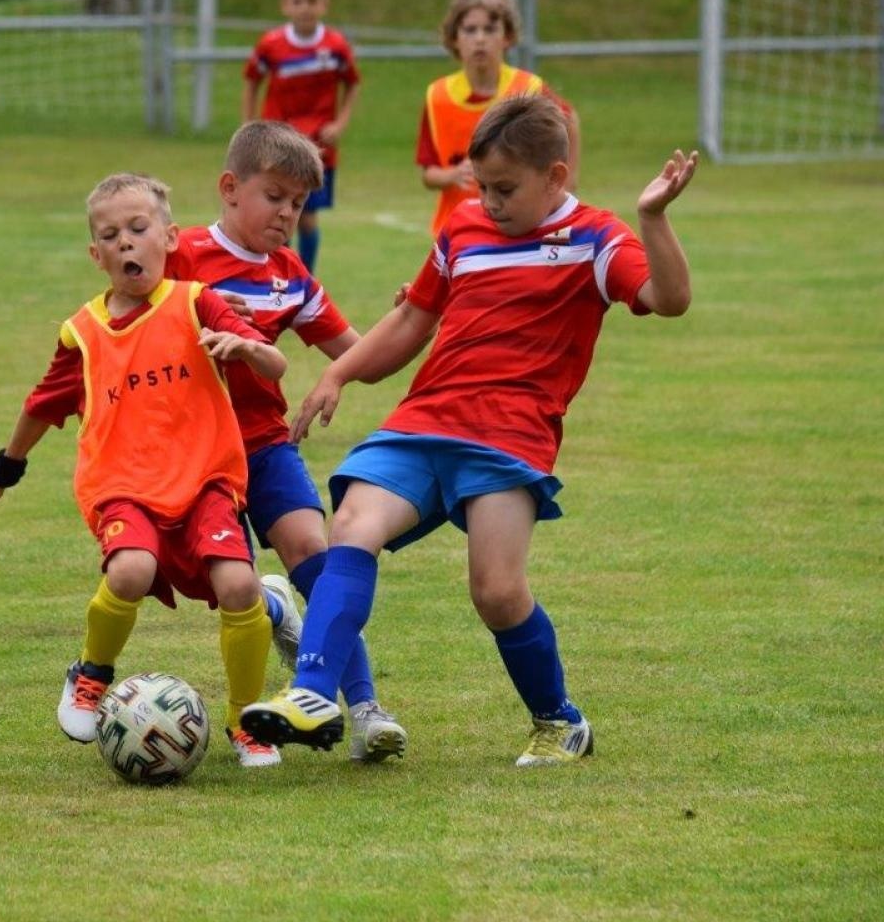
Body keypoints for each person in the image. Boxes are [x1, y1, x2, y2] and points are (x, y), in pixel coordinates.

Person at [243, 97, 699, 766]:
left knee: (496, 591)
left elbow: (670, 298)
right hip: (424, 422)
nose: (489, 201)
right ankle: (312, 691)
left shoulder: (596, 239)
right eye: (481, 186)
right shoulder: (463, 228)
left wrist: (652, 217)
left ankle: (558, 721)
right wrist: (339, 373)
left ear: (557, 175)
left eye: (505, 188)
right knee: (353, 524)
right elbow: (411, 322)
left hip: (509, 437)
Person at [0, 173, 291, 768]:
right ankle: (90, 674)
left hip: (207, 482)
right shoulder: (83, 334)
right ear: (96, 256)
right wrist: (0, 474)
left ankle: (247, 719)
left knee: (240, 586)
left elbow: (276, 363)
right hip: (123, 489)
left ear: (168, 238)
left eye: (139, 230)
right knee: (131, 570)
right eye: (111, 236)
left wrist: (246, 348)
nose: (126, 244)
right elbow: (41, 405)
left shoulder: (198, 303)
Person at [166, 120, 407, 763]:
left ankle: (363, 709)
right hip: (192, 454)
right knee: (231, 587)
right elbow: (126, 316)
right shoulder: (179, 254)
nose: (286, 214)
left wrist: (416, 315)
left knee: (319, 558)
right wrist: (200, 316)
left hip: (267, 445)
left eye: (298, 204)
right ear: (229, 188)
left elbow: (360, 355)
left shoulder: (289, 275)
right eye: (274, 196)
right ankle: (271, 612)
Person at [417, 0, 580, 237]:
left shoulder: (528, 88)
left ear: (507, 37)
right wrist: (451, 176)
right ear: (454, 39)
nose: (480, 39)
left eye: (490, 29)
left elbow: (569, 121)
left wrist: (566, 185)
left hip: (520, 223)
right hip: (460, 229)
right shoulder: (437, 96)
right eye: (470, 30)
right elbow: (428, 174)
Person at [242, 0, 362, 274]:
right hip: (278, 143)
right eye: (298, 1)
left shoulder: (335, 46)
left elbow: (352, 84)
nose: (305, 8)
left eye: (312, 1)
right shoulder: (272, 45)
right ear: (286, 5)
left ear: (323, 4)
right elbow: (252, 80)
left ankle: (304, 276)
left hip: (319, 146)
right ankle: (278, 271)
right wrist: (250, 122)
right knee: (277, 210)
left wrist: (341, 123)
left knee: (306, 216)